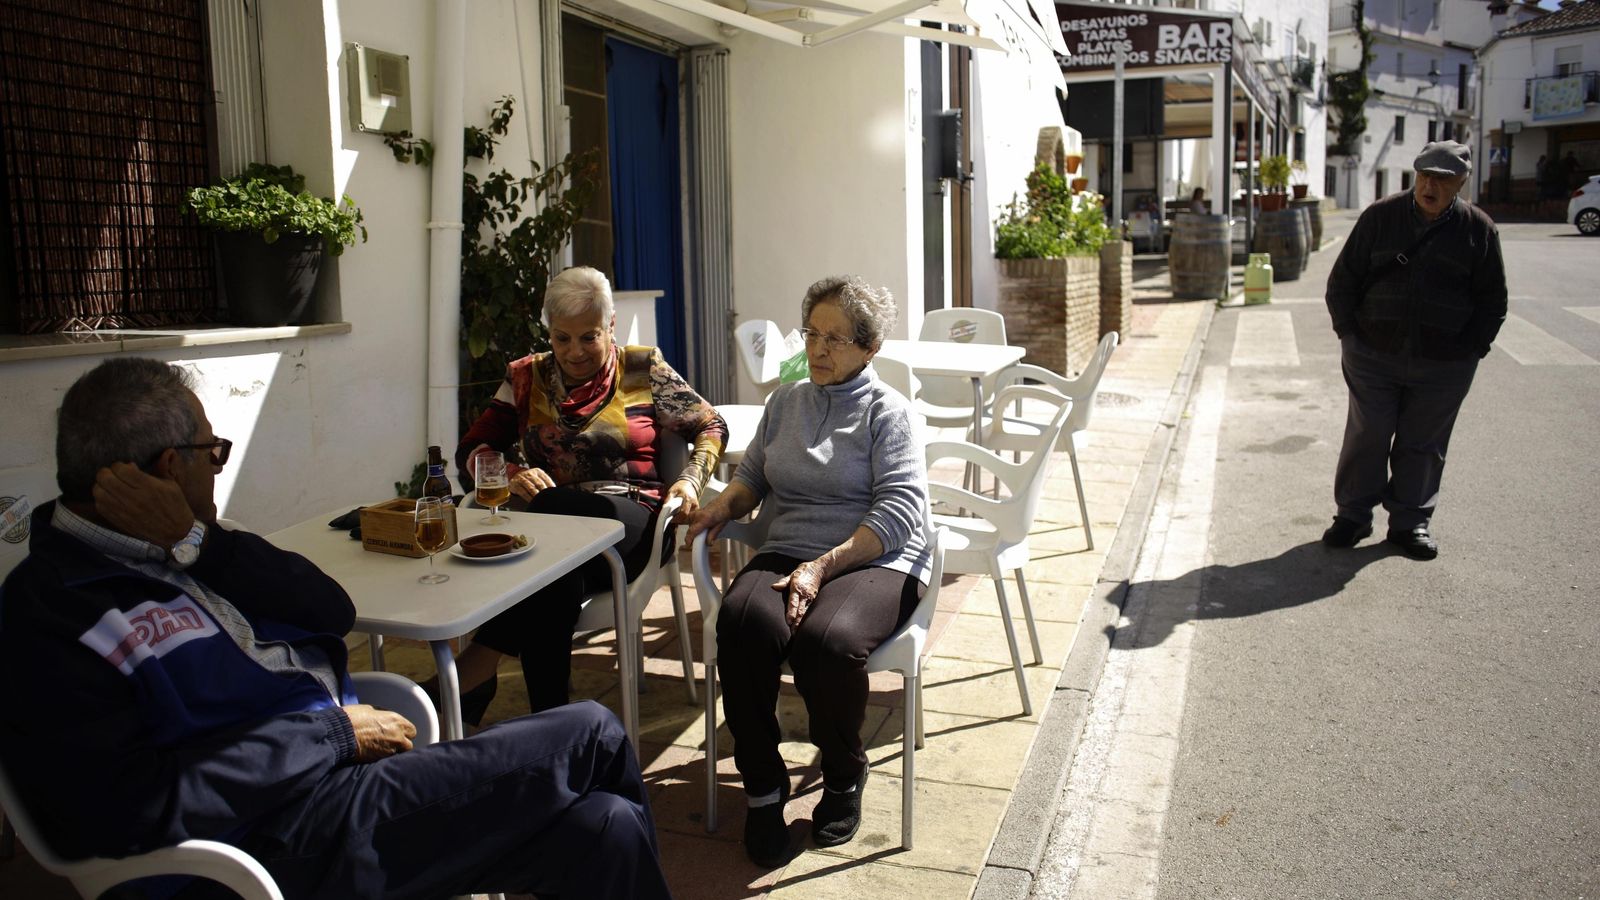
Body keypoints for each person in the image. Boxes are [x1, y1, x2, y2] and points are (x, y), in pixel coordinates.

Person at [0, 358, 672, 899]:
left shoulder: (188, 546)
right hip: (270, 842)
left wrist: (199, 542)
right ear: (170, 467)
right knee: (591, 730)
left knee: (605, 831)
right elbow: (119, 807)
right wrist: (324, 736)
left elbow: (328, 611)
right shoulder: (49, 612)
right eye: (214, 453)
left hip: (338, 789)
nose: (217, 468)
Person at [682, 276, 932, 867]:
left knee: (828, 641)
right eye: (811, 334)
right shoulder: (785, 401)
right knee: (743, 625)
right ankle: (764, 791)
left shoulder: (890, 413)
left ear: (870, 348)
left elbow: (899, 510)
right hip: (789, 546)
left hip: (876, 556)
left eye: (835, 339)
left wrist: (822, 567)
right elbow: (756, 477)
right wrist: (722, 505)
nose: (817, 350)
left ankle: (844, 776)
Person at [446, 265, 727, 720]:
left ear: (610, 326)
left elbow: (710, 424)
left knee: (548, 519)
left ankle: (472, 674)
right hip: (554, 540)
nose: (574, 352)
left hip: (630, 522)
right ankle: (551, 725)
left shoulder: (642, 366)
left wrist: (691, 477)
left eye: (589, 337)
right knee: (550, 577)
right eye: (562, 338)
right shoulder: (526, 377)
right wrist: (512, 471)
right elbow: (472, 449)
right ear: (549, 333)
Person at [1322, 140, 1507, 560]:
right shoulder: (1380, 217)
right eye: (1424, 176)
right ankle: (1352, 516)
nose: (1429, 186)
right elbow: (1343, 281)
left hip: (1444, 364)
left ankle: (1410, 523)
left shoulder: (1478, 229)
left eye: (1441, 180)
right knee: (1367, 435)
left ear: (1460, 183)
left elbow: (1493, 300)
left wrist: (1471, 350)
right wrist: (1349, 335)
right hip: (1372, 353)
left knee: (1423, 443)